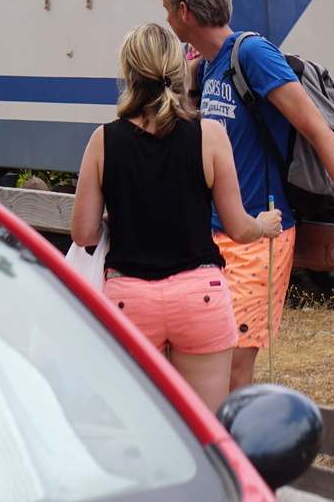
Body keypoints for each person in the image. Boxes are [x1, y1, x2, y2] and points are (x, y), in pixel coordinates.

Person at [159, 0, 334, 392]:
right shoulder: (211, 64)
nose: (165, 17)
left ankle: (238, 457)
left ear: (184, 11)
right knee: (200, 365)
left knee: (234, 369)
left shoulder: (252, 53)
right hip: (212, 237)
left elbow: (318, 130)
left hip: (259, 238)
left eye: (166, 8)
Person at [70, 22, 282, 412]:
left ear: (129, 73)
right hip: (199, 296)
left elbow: (83, 233)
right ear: (178, 68)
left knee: (141, 426)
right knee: (204, 429)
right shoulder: (211, 134)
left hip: (129, 300)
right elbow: (237, 226)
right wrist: (264, 226)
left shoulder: (104, 140)